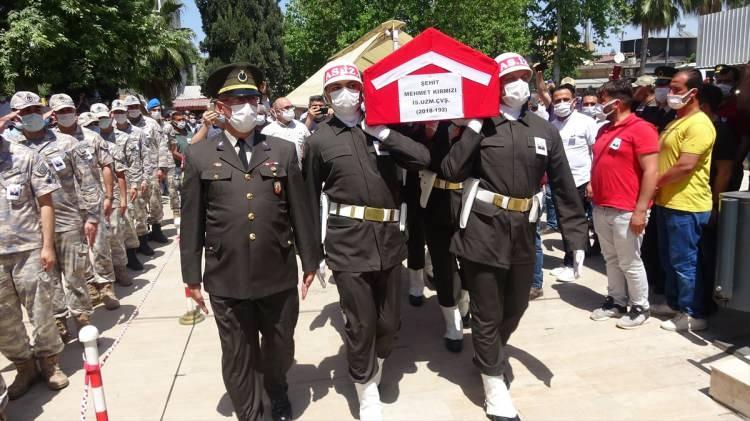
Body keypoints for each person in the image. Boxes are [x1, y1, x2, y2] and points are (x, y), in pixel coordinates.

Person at [440, 53, 588, 421]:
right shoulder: (480, 124)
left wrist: (575, 237)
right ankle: (494, 388)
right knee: (487, 312)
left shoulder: (543, 129)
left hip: (524, 229)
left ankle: (488, 353)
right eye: (509, 78)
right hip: (482, 228)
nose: (518, 84)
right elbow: (451, 169)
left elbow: (563, 184)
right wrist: (474, 126)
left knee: (517, 305)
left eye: (523, 76)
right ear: (495, 84)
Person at [181, 63, 319, 421]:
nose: (246, 106)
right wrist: (191, 277)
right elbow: (191, 221)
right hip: (227, 274)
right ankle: (251, 413)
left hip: (277, 270)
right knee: (237, 353)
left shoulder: (281, 151)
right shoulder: (199, 155)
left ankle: (276, 387)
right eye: (237, 100)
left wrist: (310, 260)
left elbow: (301, 211)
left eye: (252, 99)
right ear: (220, 107)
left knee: (280, 346)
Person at [304, 59, 430, 421]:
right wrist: (313, 256)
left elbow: (422, 158)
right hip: (347, 242)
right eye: (336, 88)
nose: (345, 93)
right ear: (327, 96)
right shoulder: (319, 140)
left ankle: (376, 365)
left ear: (363, 90)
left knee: (389, 323)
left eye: (352, 86)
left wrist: (384, 133)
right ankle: (365, 387)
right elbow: (307, 199)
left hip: (389, 239)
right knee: (361, 324)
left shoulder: (384, 128)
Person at [11, 91, 99, 341]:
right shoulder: (13, 149)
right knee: (47, 281)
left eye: (35, 111)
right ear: (17, 116)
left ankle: (82, 318)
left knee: (75, 275)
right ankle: (59, 321)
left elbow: (87, 180)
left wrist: (91, 216)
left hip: (69, 221)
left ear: (43, 113)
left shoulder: (66, 142)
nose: (32, 116)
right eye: (25, 112)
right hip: (33, 229)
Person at [0, 129, 70, 399]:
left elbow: (46, 203)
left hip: (27, 249)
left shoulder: (24, 156)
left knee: (41, 312)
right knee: (3, 320)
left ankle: (49, 362)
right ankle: (24, 366)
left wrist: (47, 245)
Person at [587, 79, 659, 329]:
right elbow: (599, 161)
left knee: (630, 261)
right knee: (611, 258)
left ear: (617, 102)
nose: (599, 104)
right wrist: (593, 183)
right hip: (602, 205)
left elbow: (651, 171)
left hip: (627, 209)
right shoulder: (604, 129)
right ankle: (616, 301)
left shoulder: (642, 129)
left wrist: (641, 210)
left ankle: (640, 306)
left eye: (602, 99)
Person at [651, 69, 716, 332]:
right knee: (669, 259)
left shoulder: (699, 124)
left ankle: (692, 313)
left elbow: (685, 165)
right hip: (668, 202)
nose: (670, 93)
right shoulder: (676, 121)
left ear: (693, 92)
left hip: (687, 204)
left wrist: (654, 183)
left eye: (676, 89)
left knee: (685, 262)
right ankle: (675, 303)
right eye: (670, 88)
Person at [50, 94, 126, 308]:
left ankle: (107, 287)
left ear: (75, 111)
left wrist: (109, 196)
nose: (66, 114)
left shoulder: (92, 137)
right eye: (61, 112)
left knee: (100, 246)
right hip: (66, 207)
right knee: (78, 251)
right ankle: (90, 285)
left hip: (94, 201)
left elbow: (107, 166)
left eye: (69, 110)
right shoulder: (50, 142)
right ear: (54, 115)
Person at [415, 121, 471, 350]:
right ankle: (452, 321)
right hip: (435, 200)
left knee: (470, 261)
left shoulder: (477, 124)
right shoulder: (427, 123)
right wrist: (427, 133)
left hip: (469, 201)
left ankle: (464, 299)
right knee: (442, 264)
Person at [697, 84, 741, 315]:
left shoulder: (720, 132)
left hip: (708, 202)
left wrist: (715, 205)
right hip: (695, 200)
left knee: (707, 254)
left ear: (704, 106)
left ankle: (706, 303)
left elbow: (724, 171)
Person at [548, 84, 598, 282]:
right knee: (563, 222)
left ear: (574, 101)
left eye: (565, 99)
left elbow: (595, 152)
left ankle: (573, 265)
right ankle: (568, 261)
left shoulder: (586, 122)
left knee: (575, 223)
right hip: (558, 182)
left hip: (580, 180)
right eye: (557, 100)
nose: (561, 103)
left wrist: (592, 182)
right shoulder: (552, 126)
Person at [91, 102, 143, 274]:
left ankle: (131, 254)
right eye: (98, 119)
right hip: (97, 189)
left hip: (121, 183)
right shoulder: (91, 138)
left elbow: (134, 162)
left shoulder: (122, 137)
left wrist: (134, 184)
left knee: (126, 222)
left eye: (104, 117)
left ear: (110, 116)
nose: (101, 121)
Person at [124, 95, 170, 244]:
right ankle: (141, 234)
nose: (133, 110)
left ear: (140, 108)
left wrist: (162, 167)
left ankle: (156, 229)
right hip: (132, 172)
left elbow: (162, 145)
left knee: (155, 200)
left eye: (135, 107)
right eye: (130, 107)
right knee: (137, 204)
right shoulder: (121, 125)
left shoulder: (151, 123)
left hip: (152, 169)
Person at [262, 97, 311, 168]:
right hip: (277, 171)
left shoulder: (301, 127)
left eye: (291, 107)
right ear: (278, 112)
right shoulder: (268, 131)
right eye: (287, 108)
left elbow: (309, 147)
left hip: (299, 170)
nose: (291, 110)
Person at [162, 110, 190, 226]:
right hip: (176, 167)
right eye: (179, 120)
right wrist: (185, 159)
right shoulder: (171, 134)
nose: (182, 122)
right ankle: (176, 213)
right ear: (173, 121)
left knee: (188, 191)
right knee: (174, 191)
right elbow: (173, 151)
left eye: (183, 119)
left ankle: (188, 212)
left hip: (190, 167)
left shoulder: (189, 133)